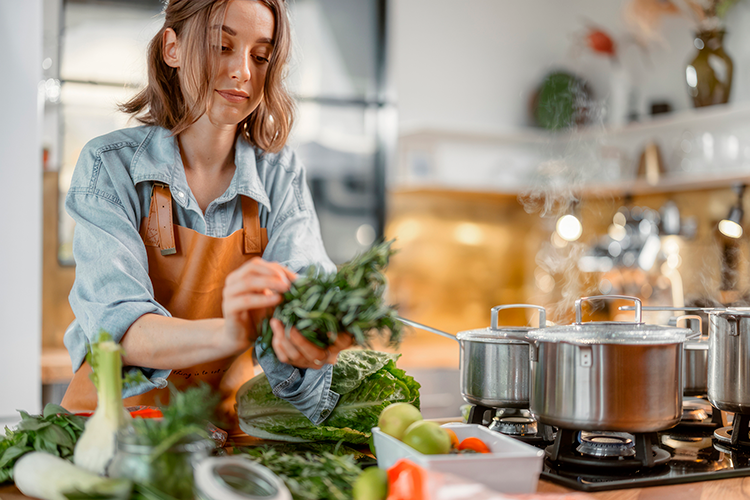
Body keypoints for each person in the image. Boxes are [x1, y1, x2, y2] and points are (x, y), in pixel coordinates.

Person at [60, 0, 353, 425]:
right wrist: (233, 332)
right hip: (113, 434)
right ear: (171, 49)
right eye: (221, 46)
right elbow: (118, 330)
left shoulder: (280, 173)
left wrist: (316, 331)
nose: (243, 73)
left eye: (261, 56)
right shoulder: (109, 166)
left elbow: (307, 286)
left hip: (222, 434)